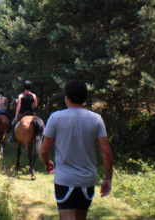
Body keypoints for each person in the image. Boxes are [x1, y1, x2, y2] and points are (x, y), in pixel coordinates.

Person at [40, 80, 113, 220]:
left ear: (67, 97)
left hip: (64, 179)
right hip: (87, 180)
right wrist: (108, 178)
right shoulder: (96, 119)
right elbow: (106, 152)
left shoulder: (55, 118)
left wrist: (47, 163)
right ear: (85, 98)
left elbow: (44, 150)